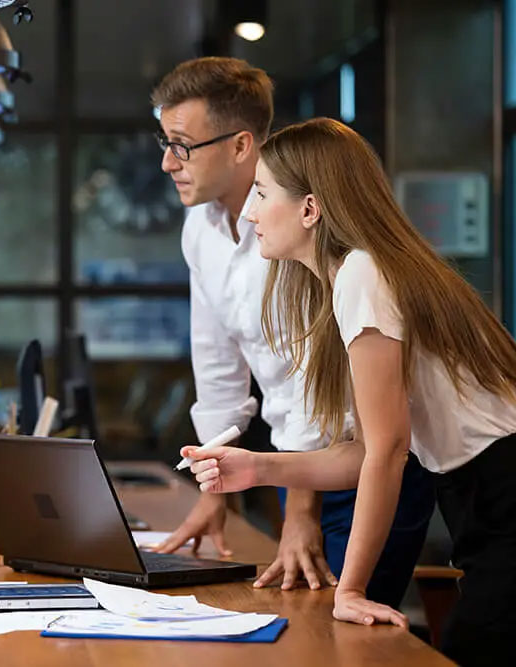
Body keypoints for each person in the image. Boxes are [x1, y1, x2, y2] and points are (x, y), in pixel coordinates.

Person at [184, 117, 516, 666]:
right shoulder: (349, 279)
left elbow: (387, 452)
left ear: (310, 209)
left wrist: (352, 591)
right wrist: (257, 467)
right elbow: (361, 452)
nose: (249, 211)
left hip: (500, 486)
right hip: (477, 496)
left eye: (262, 193)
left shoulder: (363, 275)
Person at [149, 57, 434, 606]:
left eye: (182, 145)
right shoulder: (201, 229)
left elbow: (312, 382)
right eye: (164, 142)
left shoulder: (295, 237)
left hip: (359, 459)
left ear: (240, 145)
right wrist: (212, 491)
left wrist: (298, 513)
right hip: (305, 462)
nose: (167, 162)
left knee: (334, 624)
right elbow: (216, 366)